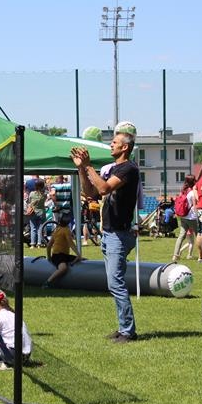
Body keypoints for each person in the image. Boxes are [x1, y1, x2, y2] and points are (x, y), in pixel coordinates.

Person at [72, 132, 140, 343]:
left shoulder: (129, 168)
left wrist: (89, 165)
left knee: (116, 283)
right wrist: (81, 168)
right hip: (110, 233)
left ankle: (128, 331)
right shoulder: (113, 169)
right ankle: (123, 328)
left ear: (125, 147)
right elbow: (90, 193)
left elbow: (103, 189)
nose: (111, 145)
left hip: (119, 235)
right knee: (114, 283)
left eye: (114, 142)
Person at [43, 212, 82, 288]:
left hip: (61, 255)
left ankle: (72, 262)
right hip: (59, 256)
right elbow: (71, 244)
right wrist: (78, 254)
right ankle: (48, 282)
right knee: (63, 268)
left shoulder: (57, 230)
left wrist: (49, 257)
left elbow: (49, 246)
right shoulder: (66, 230)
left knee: (82, 259)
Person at [172, 175, 198, 263]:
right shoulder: (192, 192)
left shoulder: (183, 191)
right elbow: (195, 206)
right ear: (193, 181)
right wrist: (198, 216)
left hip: (183, 217)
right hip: (191, 217)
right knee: (199, 235)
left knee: (181, 236)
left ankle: (175, 255)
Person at [26, 178, 46, 248]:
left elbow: (28, 201)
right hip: (41, 212)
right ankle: (39, 244)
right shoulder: (44, 195)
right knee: (40, 229)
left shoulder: (31, 193)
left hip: (33, 212)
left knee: (33, 228)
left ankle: (32, 244)